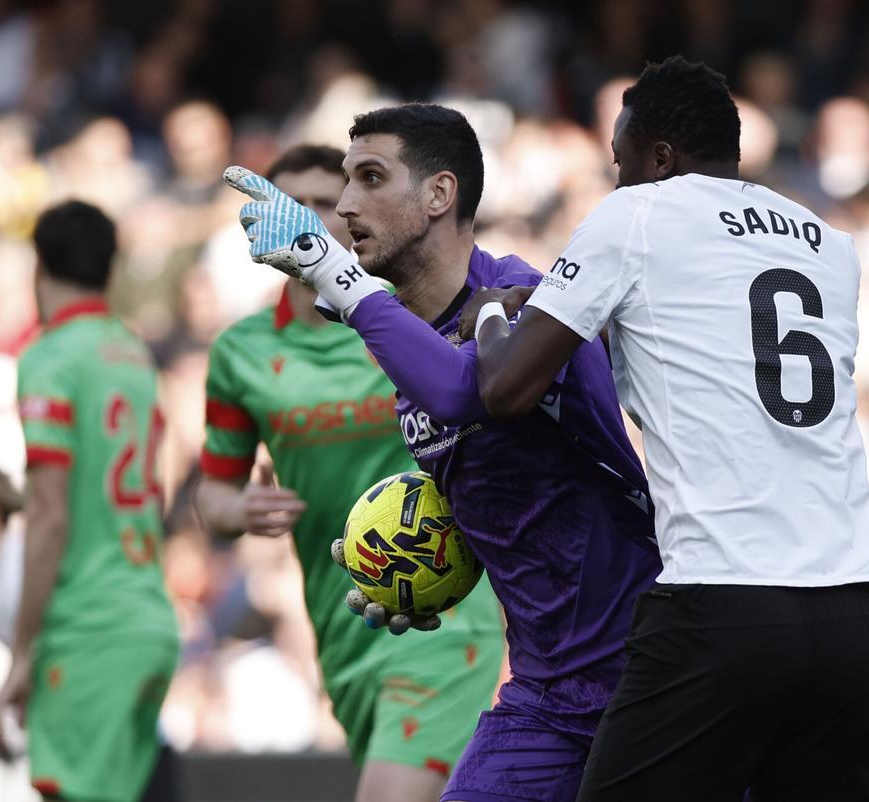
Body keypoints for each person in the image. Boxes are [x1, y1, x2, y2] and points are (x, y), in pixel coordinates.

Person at [459, 56, 869, 801]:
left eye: (620, 162)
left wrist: (495, 313)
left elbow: (506, 388)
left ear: (659, 157)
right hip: (857, 601)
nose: (616, 179)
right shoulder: (828, 242)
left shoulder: (637, 214)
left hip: (725, 594)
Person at [224, 104, 663, 802]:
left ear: (439, 194)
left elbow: (469, 392)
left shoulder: (528, 298)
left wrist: (329, 269)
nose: (344, 205)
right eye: (345, 182)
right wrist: (420, 565)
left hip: (650, 679)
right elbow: (514, 500)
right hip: (547, 693)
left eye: (370, 178)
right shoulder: (403, 352)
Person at [194, 144, 504, 802]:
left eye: (321, 202)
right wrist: (236, 512)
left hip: (442, 609)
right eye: (287, 204)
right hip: (342, 624)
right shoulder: (239, 352)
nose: (306, 218)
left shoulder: (401, 314)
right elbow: (213, 493)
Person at [0, 200, 180, 802]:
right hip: (148, 615)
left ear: (37, 267)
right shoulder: (132, 352)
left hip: (88, 629)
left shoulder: (49, 356)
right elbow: (141, 485)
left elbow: (52, 514)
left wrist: (22, 647)